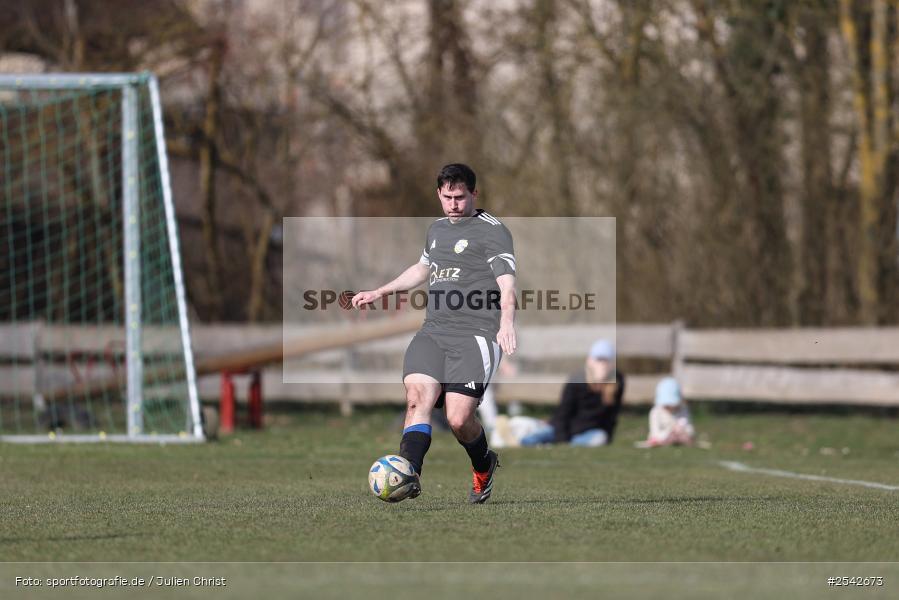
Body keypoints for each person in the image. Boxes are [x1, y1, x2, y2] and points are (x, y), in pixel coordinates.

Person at [352, 163, 516, 504]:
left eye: (460, 197)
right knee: (417, 399)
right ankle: (408, 472)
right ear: (438, 195)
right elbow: (422, 268)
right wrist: (380, 292)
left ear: (474, 194)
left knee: (459, 419)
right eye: (447, 197)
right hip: (434, 331)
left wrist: (506, 322)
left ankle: (484, 466)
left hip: (476, 335)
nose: (453, 204)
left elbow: (507, 284)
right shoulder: (437, 230)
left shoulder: (493, 231)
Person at [515, 339, 625, 447]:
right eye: (599, 360)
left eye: (606, 360)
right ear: (590, 361)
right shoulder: (577, 380)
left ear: (612, 364)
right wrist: (562, 440)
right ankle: (536, 429)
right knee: (528, 441)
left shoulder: (617, 382)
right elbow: (563, 413)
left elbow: (612, 416)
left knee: (600, 438)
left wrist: (608, 439)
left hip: (589, 433)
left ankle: (551, 442)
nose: (602, 364)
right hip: (565, 428)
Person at [640, 376, 694, 447]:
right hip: (661, 438)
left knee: (687, 439)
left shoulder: (683, 410)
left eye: (672, 404)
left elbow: (690, 429)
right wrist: (669, 433)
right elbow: (655, 433)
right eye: (667, 404)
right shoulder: (656, 412)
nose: (670, 407)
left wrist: (682, 432)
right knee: (658, 440)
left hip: (679, 437)